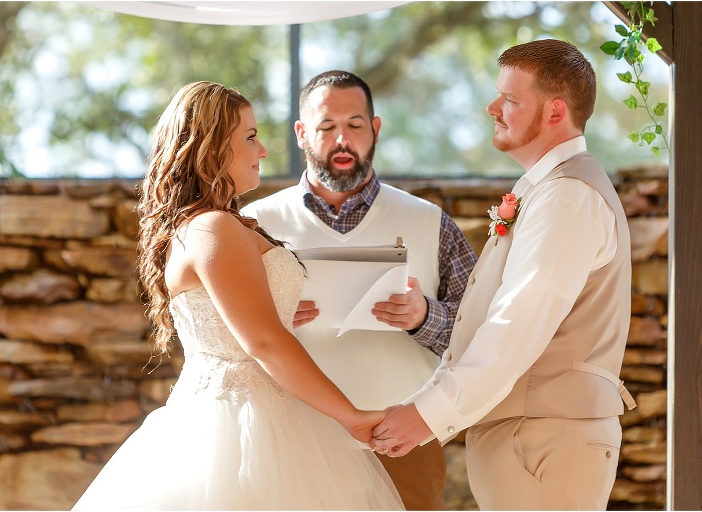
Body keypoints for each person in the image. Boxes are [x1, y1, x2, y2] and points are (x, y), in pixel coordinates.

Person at [72, 81, 403, 510]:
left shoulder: (214, 224)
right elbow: (263, 342)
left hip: (265, 417)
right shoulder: (214, 228)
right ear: (210, 148)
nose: (263, 150)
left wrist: (279, 311)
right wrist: (351, 418)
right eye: (250, 137)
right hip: (240, 430)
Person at [370, 39, 637, 510]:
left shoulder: (566, 198)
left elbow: (516, 325)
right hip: (532, 441)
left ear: (556, 112)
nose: (493, 108)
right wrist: (422, 406)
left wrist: (425, 417)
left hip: (545, 445)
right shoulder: (547, 190)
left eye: (511, 100)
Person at [242, 70, 477, 510]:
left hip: (401, 442)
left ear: (376, 129)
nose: (342, 140)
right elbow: (220, 337)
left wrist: (424, 317)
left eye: (355, 125)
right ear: (301, 134)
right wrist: (269, 319)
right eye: (327, 127)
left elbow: (481, 331)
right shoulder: (254, 224)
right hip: (290, 440)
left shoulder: (430, 222)